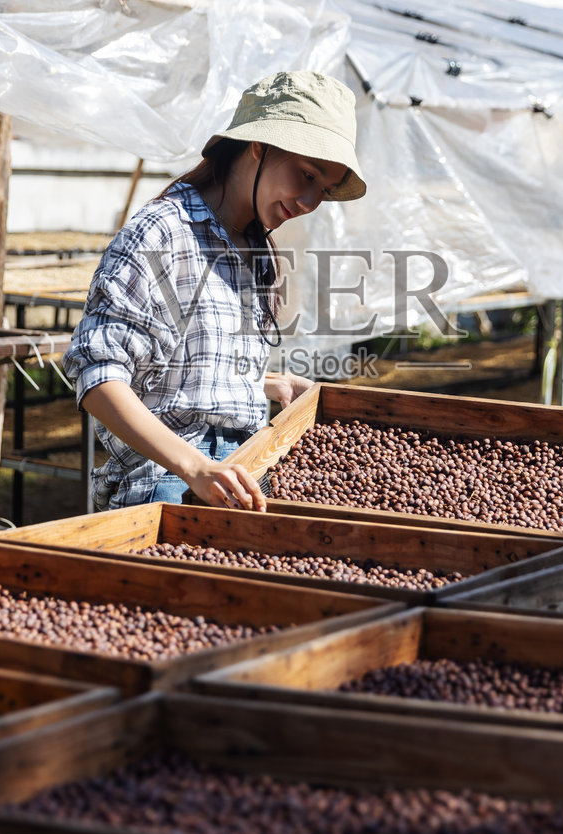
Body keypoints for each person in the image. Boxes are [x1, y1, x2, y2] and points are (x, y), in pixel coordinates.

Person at [62, 71, 366, 513]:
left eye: (322, 189)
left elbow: (178, 367)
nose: (308, 202)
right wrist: (195, 468)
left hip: (243, 477)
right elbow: (98, 378)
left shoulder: (254, 247)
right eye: (306, 174)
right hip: (169, 489)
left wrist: (260, 383)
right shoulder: (163, 233)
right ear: (259, 146)